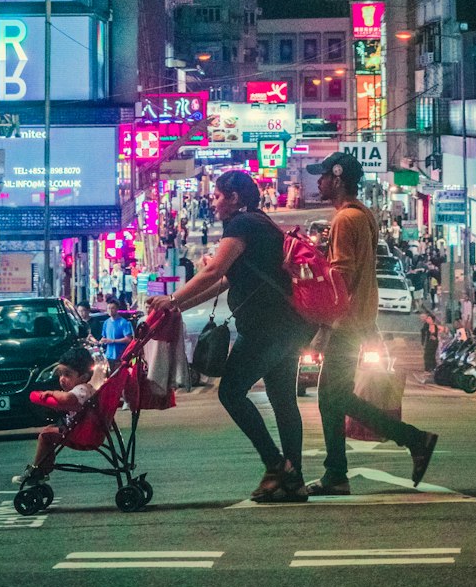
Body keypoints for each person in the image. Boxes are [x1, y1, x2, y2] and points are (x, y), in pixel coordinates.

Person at [151, 168, 311, 503]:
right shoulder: (260, 222)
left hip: (267, 327)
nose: (214, 202)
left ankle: (275, 465)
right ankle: (293, 479)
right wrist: (178, 306)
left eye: (218, 196)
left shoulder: (242, 224)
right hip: (288, 325)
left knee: (231, 391)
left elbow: (214, 270)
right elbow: (227, 281)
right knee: (283, 400)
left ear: (234, 197)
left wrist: (173, 298)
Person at [305, 153, 438, 496]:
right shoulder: (362, 215)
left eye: (321, 176)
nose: (317, 183)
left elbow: (343, 277)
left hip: (345, 323)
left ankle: (412, 439)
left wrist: (324, 324)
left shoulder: (346, 220)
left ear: (337, 179)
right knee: (332, 396)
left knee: (331, 396)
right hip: (358, 320)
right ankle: (338, 471)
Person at [14, 345, 97, 483]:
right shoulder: (85, 389)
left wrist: (52, 393)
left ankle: (38, 469)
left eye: (67, 375)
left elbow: (67, 399)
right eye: (60, 374)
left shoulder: (81, 389)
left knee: (45, 436)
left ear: (83, 377)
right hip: (82, 429)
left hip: (80, 433)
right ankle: (42, 468)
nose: (62, 379)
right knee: (49, 429)